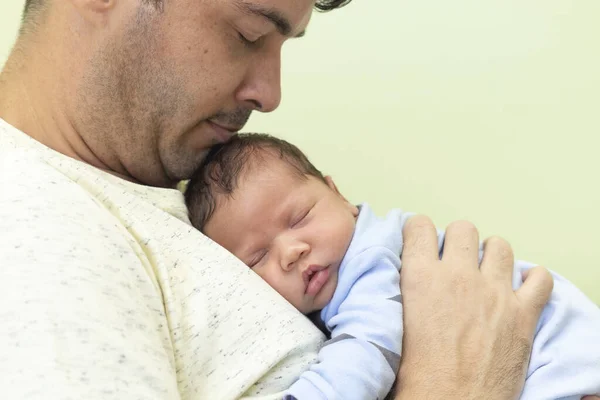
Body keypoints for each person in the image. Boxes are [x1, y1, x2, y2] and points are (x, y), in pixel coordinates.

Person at [0, 0, 568, 398]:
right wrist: (457, 385)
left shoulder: (167, 196)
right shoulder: (30, 232)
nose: (269, 95)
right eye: (248, 34)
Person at [185, 133, 600, 400]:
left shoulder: (370, 259)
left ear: (339, 194)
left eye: (299, 218)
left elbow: (368, 351)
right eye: (257, 257)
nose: (291, 250)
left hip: (559, 357)